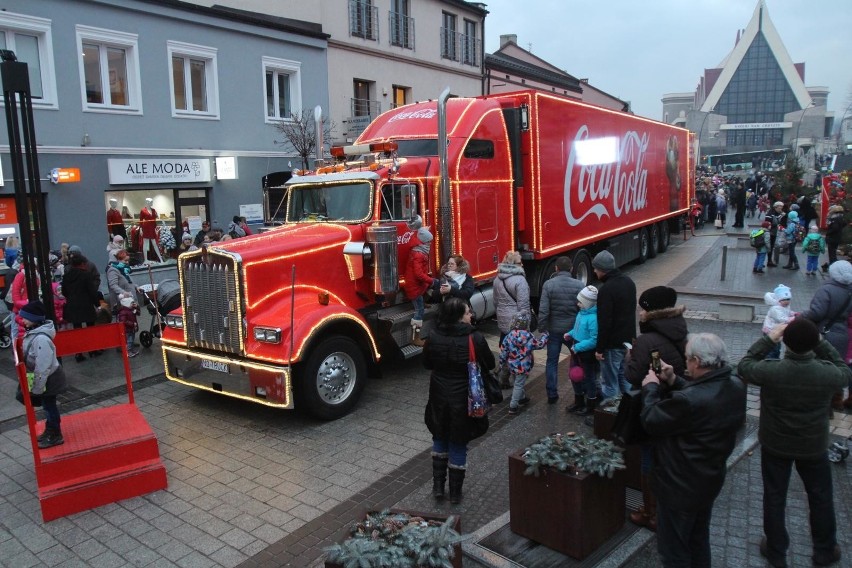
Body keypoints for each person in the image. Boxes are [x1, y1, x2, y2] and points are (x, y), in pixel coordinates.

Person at [737, 319, 850, 568]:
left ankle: (777, 551)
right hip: (814, 445)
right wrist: (822, 344)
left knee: (774, 496)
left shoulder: (772, 371)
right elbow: (844, 369)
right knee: (820, 497)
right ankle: (824, 550)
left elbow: (744, 366)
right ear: (814, 344)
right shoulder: (827, 373)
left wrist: (769, 339)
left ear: (785, 342)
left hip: (775, 444)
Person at [640, 333, 746, 568]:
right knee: (698, 540)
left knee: (674, 551)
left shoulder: (688, 401)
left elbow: (651, 419)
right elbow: (703, 398)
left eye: (688, 359)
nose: (686, 363)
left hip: (679, 485)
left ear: (697, 361)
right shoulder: (736, 385)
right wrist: (674, 379)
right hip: (708, 479)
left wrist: (651, 388)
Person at [625, 285, 688, 532]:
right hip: (677, 403)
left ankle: (651, 511)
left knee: (649, 461)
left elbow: (634, 376)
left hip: (654, 405)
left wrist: (630, 357)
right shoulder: (680, 330)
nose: (639, 311)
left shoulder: (647, 340)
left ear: (650, 311)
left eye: (642, 307)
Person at [423, 297, 492, 504]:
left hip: (438, 395)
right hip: (464, 399)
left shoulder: (433, 336)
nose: (471, 315)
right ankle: (454, 493)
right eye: (467, 312)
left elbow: (427, 364)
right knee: (458, 442)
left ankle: (437, 487)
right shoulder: (475, 338)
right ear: (458, 317)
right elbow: (489, 363)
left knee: (440, 436)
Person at [800, 260, 852, 412]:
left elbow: (817, 313)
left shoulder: (827, 290)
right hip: (842, 333)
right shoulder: (849, 291)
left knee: (819, 367)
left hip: (824, 332)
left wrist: (802, 316)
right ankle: (836, 400)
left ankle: (821, 404)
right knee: (836, 367)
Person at [20, 300, 68, 449]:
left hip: (49, 378)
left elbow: (43, 366)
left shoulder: (40, 338)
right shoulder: (35, 334)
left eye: (25, 317)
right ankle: (50, 429)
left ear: (34, 319)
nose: (22, 320)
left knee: (49, 406)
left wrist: (37, 388)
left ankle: (55, 434)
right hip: (46, 377)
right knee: (48, 406)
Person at [537, 256, 584, 404]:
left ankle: (552, 394)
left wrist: (542, 328)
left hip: (554, 330)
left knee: (551, 362)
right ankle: (579, 392)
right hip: (573, 331)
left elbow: (543, 310)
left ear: (556, 269)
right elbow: (582, 310)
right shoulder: (579, 285)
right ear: (571, 269)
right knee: (577, 360)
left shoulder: (548, 285)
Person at [592, 250, 636, 405]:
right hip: (627, 341)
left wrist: (600, 349)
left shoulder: (606, 290)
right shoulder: (629, 282)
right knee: (625, 379)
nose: (594, 271)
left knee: (610, 383)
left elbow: (605, 322)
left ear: (602, 269)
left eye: (596, 268)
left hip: (612, 344)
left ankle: (611, 416)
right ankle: (630, 412)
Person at [499, 311, 548, 415]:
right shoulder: (528, 336)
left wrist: (501, 362)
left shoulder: (509, 336)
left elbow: (503, 350)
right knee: (518, 385)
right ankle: (513, 406)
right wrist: (545, 336)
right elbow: (539, 345)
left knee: (517, 382)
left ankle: (522, 398)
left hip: (511, 364)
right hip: (523, 366)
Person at [493, 250, 530, 386]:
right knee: (517, 351)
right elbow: (523, 305)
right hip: (515, 322)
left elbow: (495, 301)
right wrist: (527, 325)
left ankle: (501, 371)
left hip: (502, 319)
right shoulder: (520, 280)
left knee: (504, 347)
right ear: (515, 264)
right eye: (520, 262)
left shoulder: (498, 278)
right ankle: (515, 382)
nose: (522, 265)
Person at [564, 285, 599, 416]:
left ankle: (590, 405)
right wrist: (570, 333)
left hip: (586, 353)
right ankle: (579, 401)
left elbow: (594, 340)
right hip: (577, 349)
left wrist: (578, 346)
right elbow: (578, 329)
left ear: (588, 303)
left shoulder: (593, 319)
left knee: (588, 379)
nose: (578, 304)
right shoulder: (581, 313)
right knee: (574, 375)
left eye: (581, 302)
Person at [402, 227, 438, 347]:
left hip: (415, 285)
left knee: (422, 299)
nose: (430, 244)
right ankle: (415, 337)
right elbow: (418, 274)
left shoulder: (418, 251)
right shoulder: (419, 254)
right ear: (424, 242)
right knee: (419, 311)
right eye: (428, 242)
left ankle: (422, 302)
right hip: (415, 287)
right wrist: (431, 281)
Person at [62, 252, 99, 362]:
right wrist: (97, 304)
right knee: (90, 328)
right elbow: (92, 291)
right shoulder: (86, 274)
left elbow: (64, 291)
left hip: (72, 305)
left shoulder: (67, 276)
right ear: (82, 263)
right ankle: (92, 350)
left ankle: (79, 353)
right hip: (86, 305)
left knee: (77, 329)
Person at [762, 284, 795, 360]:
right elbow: (781, 318)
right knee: (773, 348)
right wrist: (792, 319)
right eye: (784, 300)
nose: (787, 302)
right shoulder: (775, 308)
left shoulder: (785, 306)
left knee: (777, 347)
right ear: (778, 300)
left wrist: (793, 313)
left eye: (788, 299)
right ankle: (770, 360)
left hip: (777, 330)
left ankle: (775, 358)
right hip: (771, 330)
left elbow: (788, 312)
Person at [823, 204, 845, 271]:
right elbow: (844, 224)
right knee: (833, 252)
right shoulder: (841, 218)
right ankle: (834, 265)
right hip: (836, 238)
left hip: (832, 238)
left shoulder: (835, 219)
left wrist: (828, 233)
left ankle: (833, 266)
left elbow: (835, 228)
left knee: (831, 253)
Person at [766, 201, 786, 267]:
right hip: (771, 232)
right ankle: (769, 261)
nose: (781, 208)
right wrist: (781, 216)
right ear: (776, 207)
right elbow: (772, 222)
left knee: (772, 247)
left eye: (782, 207)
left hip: (775, 232)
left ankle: (770, 260)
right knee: (770, 247)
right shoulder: (771, 213)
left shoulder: (777, 213)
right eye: (780, 207)